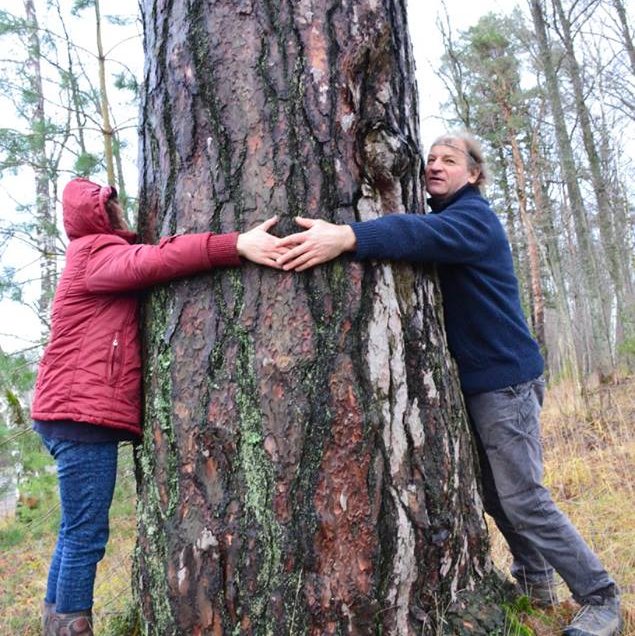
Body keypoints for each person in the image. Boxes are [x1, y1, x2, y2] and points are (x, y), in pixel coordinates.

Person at [276, 131, 622, 636]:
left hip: (506, 383)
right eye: (430, 159)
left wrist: (348, 236)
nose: (435, 166)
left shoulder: (473, 219)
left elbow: (419, 236)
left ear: (474, 173)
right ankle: (536, 582)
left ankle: (601, 596)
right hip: (484, 383)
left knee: (523, 497)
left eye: (449, 160)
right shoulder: (451, 218)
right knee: (494, 494)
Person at [32, 177, 285, 636]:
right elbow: (159, 258)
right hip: (78, 417)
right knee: (86, 534)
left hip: (67, 414)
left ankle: (57, 620)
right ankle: (70, 625)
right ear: (98, 216)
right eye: (111, 207)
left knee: (74, 530)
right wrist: (236, 245)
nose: (120, 211)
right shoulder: (96, 255)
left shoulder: (90, 255)